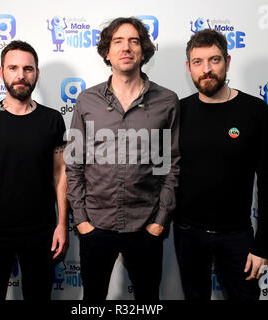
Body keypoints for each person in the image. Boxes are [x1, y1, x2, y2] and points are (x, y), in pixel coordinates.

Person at [65, 17, 180, 300]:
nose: (126, 47)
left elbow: (171, 165)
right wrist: (81, 220)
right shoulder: (86, 101)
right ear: (107, 52)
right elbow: (74, 163)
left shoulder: (167, 101)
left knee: (148, 300)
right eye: (118, 41)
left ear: (143, 51)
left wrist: (159, 221)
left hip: (146, 226)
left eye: (133, 41)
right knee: (92, 299)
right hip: (96, 225)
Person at [174, 29, 268, 300]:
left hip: (237, 237)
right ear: (189, 67)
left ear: (228, 61)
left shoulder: (255, 110)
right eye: (198, 62)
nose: (207, 69)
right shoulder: (178, 111)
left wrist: (262, 247)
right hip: (187, 234)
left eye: (214, 60)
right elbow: (163, 171)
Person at [0, 40, 68, 300]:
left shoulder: (53, 119)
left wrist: (62, 224)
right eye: (13, 68)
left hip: (41, 232)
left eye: (28, 69)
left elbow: (61, 174)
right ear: (1, 72)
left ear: (37, 74)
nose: (21, 75)